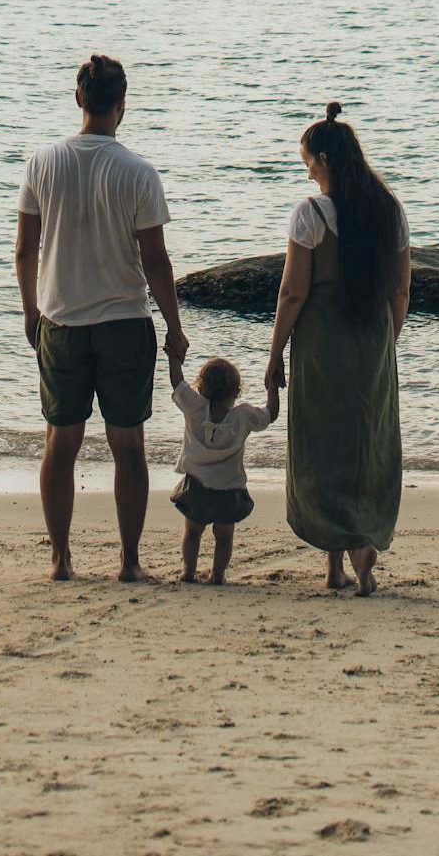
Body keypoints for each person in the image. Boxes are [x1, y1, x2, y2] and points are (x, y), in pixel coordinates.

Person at [15, 54, 188, 583]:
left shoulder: (42, 162)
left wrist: (30, 310)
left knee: (60, 443)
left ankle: (60, 560)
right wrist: (175, 327)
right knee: (128, 445)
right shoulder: (138, 171)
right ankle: (129, 561)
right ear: (121, 105)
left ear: (78, 99)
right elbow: (156, 261)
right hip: (124, 323)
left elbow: (25, 249)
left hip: (61, 320)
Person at [265, 102, 411, 596]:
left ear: (324, 159)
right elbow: (401, 290)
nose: (306, 171)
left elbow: (292, 292)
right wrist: (387, 340)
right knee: (367, 442)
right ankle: (360, 551)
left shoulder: (310, 214)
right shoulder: (389, 210)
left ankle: (336, 563)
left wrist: (274, 353)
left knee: (323, 444)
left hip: (321, 343)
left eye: (307, 162)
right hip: (373, 339)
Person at [167, 353, 277, 585]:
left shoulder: (195, 409)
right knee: (224, 537)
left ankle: (188, 571)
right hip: (229, 488)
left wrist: (174, 356)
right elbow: (271, 413)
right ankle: (217, 574)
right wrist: (272, 384)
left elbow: (177, 383)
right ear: (236, 391)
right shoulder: (244, 416)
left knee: (192, 532)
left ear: (200, 387)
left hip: (196, 486)